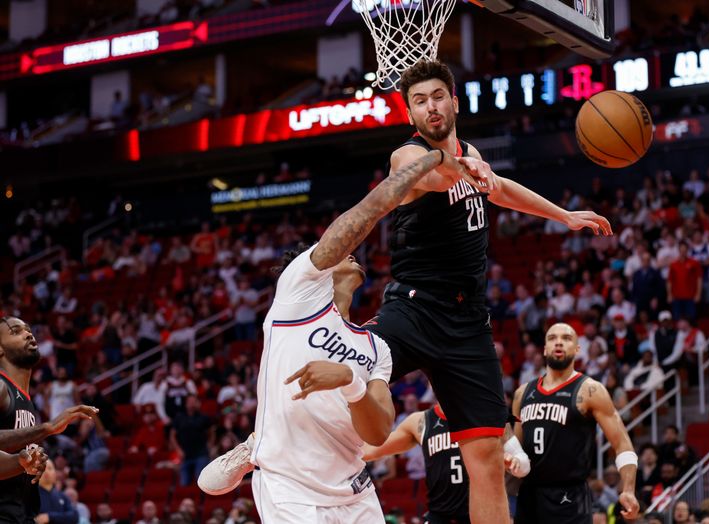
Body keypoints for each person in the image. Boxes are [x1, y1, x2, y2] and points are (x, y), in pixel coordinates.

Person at [363, 60, 611, 524]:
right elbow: (434, 177)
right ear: (410, 114)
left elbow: (499, 190)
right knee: (346, 373)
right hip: (415, 310)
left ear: (454, 102)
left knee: (487, 460)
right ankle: (265, 441)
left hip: (468, 326)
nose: (431, 107)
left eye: (438, 97)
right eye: (419, 101)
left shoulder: (469, 151)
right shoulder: (406, 155)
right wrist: (463, 165)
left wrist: (565, 216)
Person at [234, 148, 483, 523]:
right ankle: (255, 446)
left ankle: (253, 446)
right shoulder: (297, 293)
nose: (352, 255)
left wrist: (351, 382)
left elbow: (380, 430)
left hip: (354, 491)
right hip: (292, 488)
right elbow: (366, 214)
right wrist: (430, 159)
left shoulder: (373, 346)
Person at [511, 323, 639, 523]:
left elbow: (622, 443)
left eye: (567, 338)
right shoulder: (522, 394)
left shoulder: (590, 390)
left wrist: (629, 489)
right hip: (529, 494)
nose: (559, 342)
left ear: (578, 349)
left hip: (570, 495)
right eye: (552, 338)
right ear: (544, 349)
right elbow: (513, 449)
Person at [0, 316, 98, 524]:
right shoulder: (1, 387)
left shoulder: (25, 400)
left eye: (28, 329)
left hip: (21, 514)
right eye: (16, 331)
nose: (28, 333)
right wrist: (46, 428)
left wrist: (26, 463)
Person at [361, 405, 530, 523]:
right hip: (439, 516)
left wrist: (514, 463)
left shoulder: (488, 413)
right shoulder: (420, 421)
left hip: (481, 516)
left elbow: (523, 466)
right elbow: (371, 451)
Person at [37, 460, 78, 524]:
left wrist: (50, 517)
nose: (46, 471)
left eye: (50, 468)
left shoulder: (62, 496)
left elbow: (74, 516)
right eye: (42, 468)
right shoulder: (30, 496)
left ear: (55, 472)